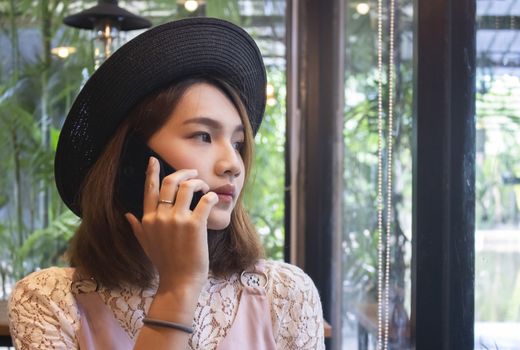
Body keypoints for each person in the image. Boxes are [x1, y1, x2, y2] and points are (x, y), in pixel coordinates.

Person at [8, 17, 325, 349]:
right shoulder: (48, 301)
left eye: (238, 143)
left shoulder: (285, 294)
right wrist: (178, 290)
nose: (233, 164)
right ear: (133, 158)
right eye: (203, 135)